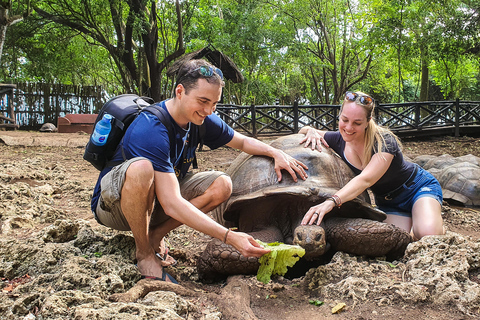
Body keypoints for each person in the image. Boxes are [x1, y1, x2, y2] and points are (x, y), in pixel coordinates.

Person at [90, 59, 308, 283]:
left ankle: (155, 235)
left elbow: (241, 142)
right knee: (141, 169)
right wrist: (229, 237)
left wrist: (276, 153)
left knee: (222, 184)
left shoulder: (200, 120)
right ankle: (144, 253)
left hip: (156, 201)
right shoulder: (150, 128)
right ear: (180, 91)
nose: (208, 110)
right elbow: (172, 202)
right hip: (115, 207)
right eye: (203, 101)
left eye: (214, 103)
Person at [299, 91, 445, 241]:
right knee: (394, 240)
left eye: (357, 123)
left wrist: (331, 201)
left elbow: (365, 180)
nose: (348, 128)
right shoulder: (338, 139)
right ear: (340, 115)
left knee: (428, 234)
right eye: (344, 120)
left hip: (417, 188)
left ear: (368, 121)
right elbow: (302, 130)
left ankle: (432, 222)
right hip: (387, 203)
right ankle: (419, 220)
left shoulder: (384, 141)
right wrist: (311, 131)